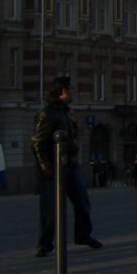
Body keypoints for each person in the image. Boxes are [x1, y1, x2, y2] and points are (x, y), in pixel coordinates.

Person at [33, 77, 100, 255]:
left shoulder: (67, 112)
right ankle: (45, 244)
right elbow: (37, 142)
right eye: (71, 89)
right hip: (53, 167)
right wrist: (45, 166)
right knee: (50, 209)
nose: (73, 92)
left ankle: (83, 235)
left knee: (82, 201)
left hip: (70, 164)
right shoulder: (47, 113)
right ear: (63, 91)